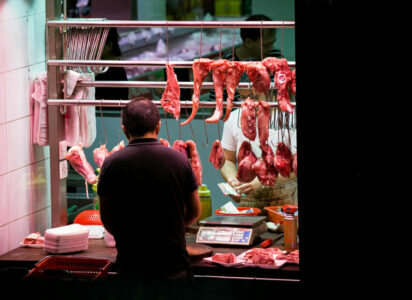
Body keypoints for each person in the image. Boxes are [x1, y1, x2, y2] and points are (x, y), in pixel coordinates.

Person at [97, 97, 200, 282]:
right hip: (175, 270)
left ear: (124, 130)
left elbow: (107, 219)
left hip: (131, 271)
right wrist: (170, 227)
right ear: (158, 127)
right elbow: (194, 212)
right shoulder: (180, 161)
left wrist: (130, 232)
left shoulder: (111, 164)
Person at [217, 15, 298, 212]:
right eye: (245, 91)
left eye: (254, 90)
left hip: (285, 199)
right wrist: (232, 180)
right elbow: (226, 159)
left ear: (266, 85)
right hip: (248, 202)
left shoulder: (288, 114)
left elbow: (295, 166)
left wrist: (264, 181)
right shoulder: (235, 117)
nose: (249, 96)